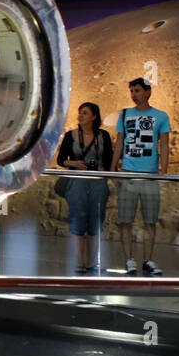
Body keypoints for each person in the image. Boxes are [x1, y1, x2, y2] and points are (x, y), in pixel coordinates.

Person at [112, 77, 171, 276]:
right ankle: (129, 259)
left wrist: (164, 171)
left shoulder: (161, 116)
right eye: (132, 91)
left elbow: (163, 144)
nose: (134, 95)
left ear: (147, 92)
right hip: (128, 173)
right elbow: (119, 142)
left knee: (150, 220)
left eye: (137, 90)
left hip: (150, 175)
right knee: (125, 220)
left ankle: (148, 259)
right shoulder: (125, 114)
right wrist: (113, 169)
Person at [55, 102, 113, 274]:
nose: (80, 116)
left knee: (95, 221)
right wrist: (75, 163)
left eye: (85, 113)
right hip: (77, 182)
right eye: (80, 113)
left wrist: (108, 176)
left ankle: (92, 263)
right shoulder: (70, 135)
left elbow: (109, 159)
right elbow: (60, 160)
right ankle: (80, 263)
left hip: (98, 182)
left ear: (94, 117)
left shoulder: (104, 136)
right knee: (78, 221)